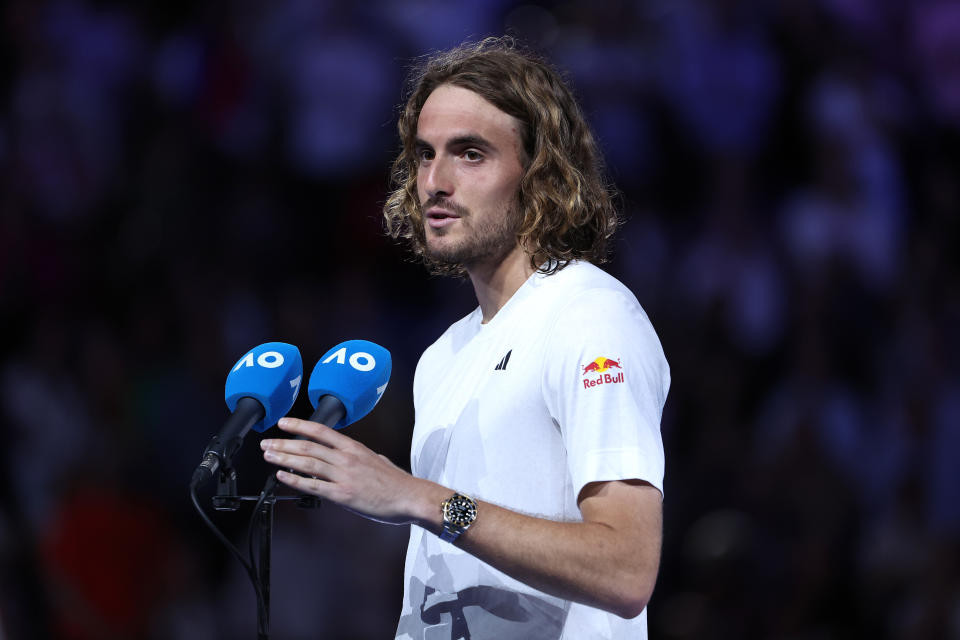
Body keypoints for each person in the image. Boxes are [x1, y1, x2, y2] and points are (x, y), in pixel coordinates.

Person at [261, 37, 670, 640]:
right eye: (424, 155)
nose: (435, 180)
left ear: (541, 172)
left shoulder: (591, 316)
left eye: (470, 154)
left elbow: (626, 569)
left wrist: (422, 499)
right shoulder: (441, 356)